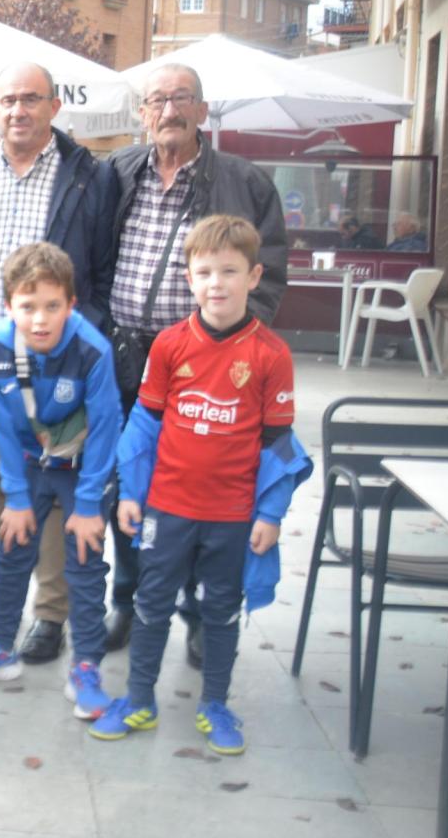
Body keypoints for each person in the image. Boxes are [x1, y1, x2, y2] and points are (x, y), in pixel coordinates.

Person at [89, 215, 308, 755]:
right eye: (205, 271)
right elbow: (143, 425)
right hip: (168, 508)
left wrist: (271, 513)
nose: (217, 283)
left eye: (230, 271)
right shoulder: (168, 345)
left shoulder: (272, 355)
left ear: (254, 276)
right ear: (189, 278)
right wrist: (132, 493)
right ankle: (139, 698)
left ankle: (216, 703)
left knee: (220, 612)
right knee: (150, 603)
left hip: (232, 516)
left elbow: (280, 445)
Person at [0, 62, 117, 663]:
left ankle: (51, 613)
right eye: (8, 100)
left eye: (31, 99)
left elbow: (103, 267)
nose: (19, 110)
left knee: (56, 485)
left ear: (54, 107)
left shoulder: (85, 178)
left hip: (56, 364)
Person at [101, 64, 287, 663]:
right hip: (123, 356)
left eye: (181, 98)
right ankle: (127, 600)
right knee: (126, 485)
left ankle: (202, 612)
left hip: (199, 365)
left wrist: (224, 349)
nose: (168, 110)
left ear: (203, 111)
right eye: (156, 100)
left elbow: (270, 274)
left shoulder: (246, 182)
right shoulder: (118, 171)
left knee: (202, 493)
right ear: (142, 114)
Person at [0, 243, 121, 720]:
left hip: (83, 468)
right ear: (8, 307)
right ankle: (0, 647)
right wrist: (16, 498)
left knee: (83, 563)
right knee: (12, 548)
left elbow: (106, 429)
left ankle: (86, 666)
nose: (40, 319)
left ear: (71, 305)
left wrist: (87, 505)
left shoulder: (92, 350)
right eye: (27, 306)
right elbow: (1, 426)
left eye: (52, 306)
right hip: (29, 464)